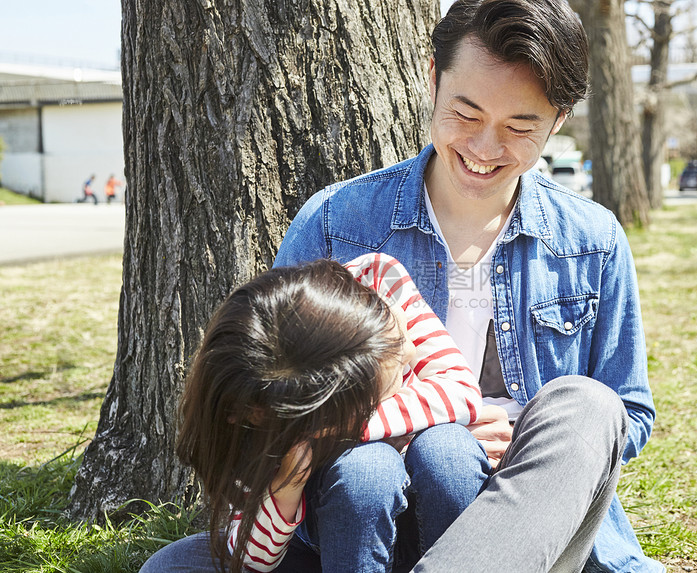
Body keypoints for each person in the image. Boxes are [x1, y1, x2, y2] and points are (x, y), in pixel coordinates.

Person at [273, 0, 663, 571]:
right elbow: (275, 388)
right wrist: (402, 425)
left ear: (558, 120)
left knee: (587, 404)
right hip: (363, 507)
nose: (484, 149)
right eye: (466, 114)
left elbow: (628, 413)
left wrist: (525, 437)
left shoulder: (593, 239)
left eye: (519, 128)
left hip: (522, 518)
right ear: (433, 79)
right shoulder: (337, 222)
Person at [140, 253, 483, 573]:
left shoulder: (375, 279)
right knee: (367, 469)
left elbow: (461, 393)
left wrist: (335, 430)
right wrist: (289, 482)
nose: (409, 352)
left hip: (433, 527)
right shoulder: (266, 407)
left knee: (447, 448)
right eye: (388, 378)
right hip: (330, 544)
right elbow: (250, 558)